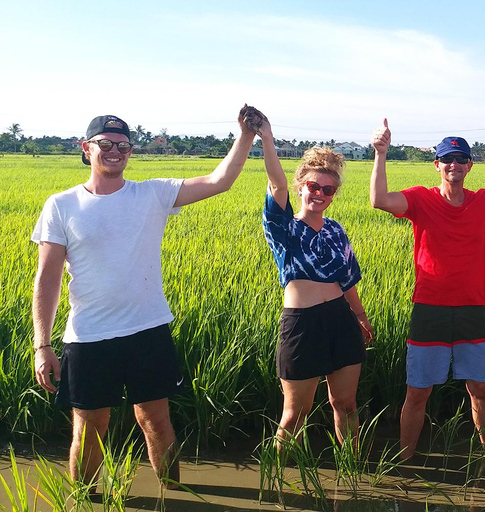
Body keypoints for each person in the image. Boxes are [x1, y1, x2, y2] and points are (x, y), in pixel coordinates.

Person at [32, 106, 260, 488]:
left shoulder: (151, 194)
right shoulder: (62, 205)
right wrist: (42, 344)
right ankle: (85, 499)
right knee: (90, 429)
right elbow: (48, 278)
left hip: (147, 330)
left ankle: (175, 494)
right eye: (105, 143)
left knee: (155, 419)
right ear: (87, 149)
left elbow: (220, 181)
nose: (115, 151)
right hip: (88, 337)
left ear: (130, 151)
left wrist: (246, 136)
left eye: (123, 144)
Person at [370, 116, 485, 458]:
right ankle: (407, 461)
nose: (454, 164)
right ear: (437, 165)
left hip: (472, 308)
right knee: (417, 391)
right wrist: (380, 153)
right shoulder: (420, 200)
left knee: (480, 389)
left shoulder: (484, 201)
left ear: (470, 166)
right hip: (430, 309)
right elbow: (379, 200)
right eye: (447, 159)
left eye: (461, 159)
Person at [260, 113, 373, 450]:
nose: (320, 193)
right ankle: (277, 484)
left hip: (341, 320)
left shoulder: (336, 230)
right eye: (313, 186)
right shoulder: (282, 228)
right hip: (302, 325)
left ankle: (354, 474)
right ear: (301, 186)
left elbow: (347, 279)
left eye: (328, 189)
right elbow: (277, 184)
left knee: (346, 406)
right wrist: (267, 137)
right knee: (295, 414)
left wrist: (361, 317)